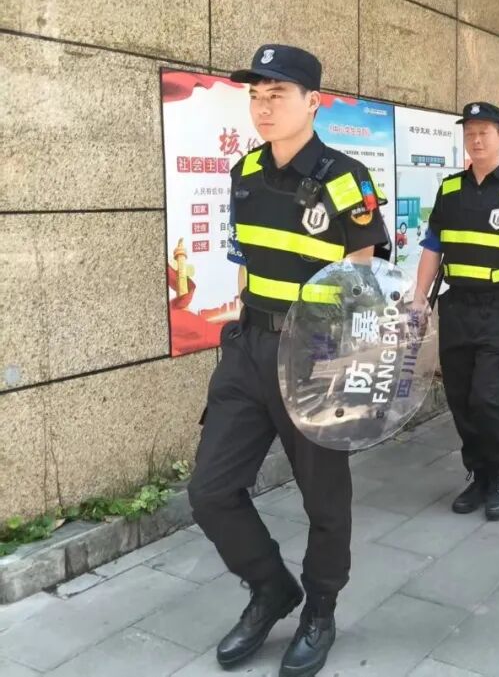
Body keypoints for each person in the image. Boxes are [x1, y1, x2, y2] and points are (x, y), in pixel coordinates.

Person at [187, 44, 390, 676]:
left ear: (313, 102)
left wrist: (352, 367)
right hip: (249, 349)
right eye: (256, 95)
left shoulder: (345, 178)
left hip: (316, 354)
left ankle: (320, 609)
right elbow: (246, 264)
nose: (263, 107)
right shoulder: (245, 171)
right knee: (209, 490)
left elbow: (361, 278)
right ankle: (272, 588)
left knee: (324, 500)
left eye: (277, 94)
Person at [411, 102, 499, 521]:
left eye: (484, 132)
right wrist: (419, 299)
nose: (476, 139)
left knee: (487, 396)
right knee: (460, 397)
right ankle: (479, 474)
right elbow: (433, 247)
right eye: (469, 132)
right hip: (457, 307)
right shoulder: (450, 190)